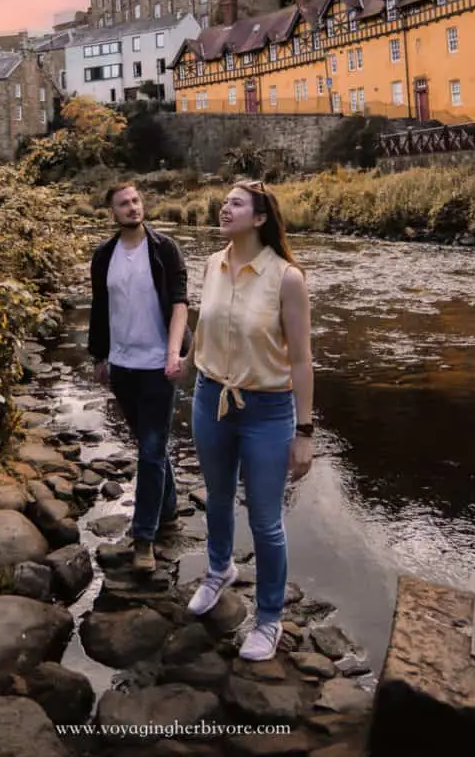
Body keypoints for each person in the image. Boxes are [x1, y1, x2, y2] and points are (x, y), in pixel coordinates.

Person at [186, 179, 314, 661]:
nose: (225, 206)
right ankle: (219, 570)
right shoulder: (211, 265)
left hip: (267, 409)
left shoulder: (287, 278)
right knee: (216, 497)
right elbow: (207, 328)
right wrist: (184, 361)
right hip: (209, 397)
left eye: (236, 203)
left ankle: (268, 618)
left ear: (260, 218)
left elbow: (302, 361)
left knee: (265, 520)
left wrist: (304, 432)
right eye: (224, 201)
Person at [88, 182, 191, 573]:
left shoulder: (164, 249)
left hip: (158, 365)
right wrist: (99, 356)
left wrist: (173, 353)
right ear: (112, 213)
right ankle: (167, 508)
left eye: (136, 201)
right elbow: (101, 308)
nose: (132, 208)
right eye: (123, 204)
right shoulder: (104, 256)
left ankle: (143, 538)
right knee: (150, 446)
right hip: (122, 365)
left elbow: (180, 303)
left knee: (150, 449)